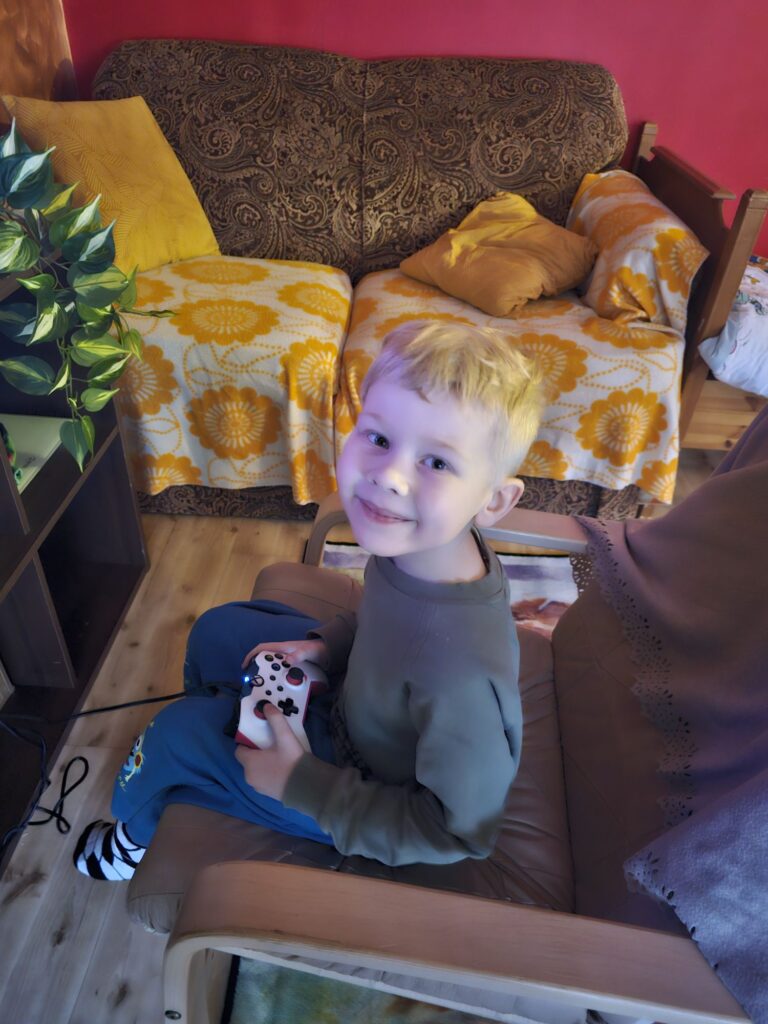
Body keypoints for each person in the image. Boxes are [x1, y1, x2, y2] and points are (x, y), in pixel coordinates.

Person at [74, 320, 544, 880]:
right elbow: (387, 623)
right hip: (356, 706)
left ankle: (132, 840)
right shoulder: (424, 545)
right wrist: (328, 645)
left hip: (350, 785)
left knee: (177, 736)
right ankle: (230, 720)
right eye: (379, 438)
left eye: (437, 462)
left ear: (494, 501)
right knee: (219, 629)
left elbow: (458, 832)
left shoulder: (462, 678)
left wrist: (301, 782)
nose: (390, 476)